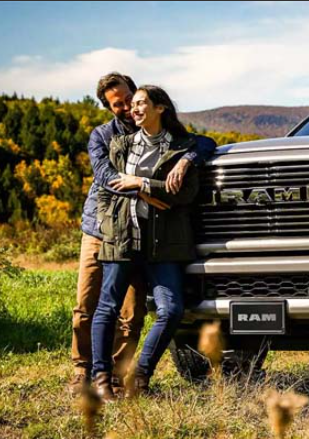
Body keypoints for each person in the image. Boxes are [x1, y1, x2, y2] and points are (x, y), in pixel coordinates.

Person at [69, 73, 216, 396]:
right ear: (109, 107)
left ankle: (124, 375)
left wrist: (187, 160)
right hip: (103, 228)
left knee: (133, 312)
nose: (126, 108)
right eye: (117, 104)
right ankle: (86, 372)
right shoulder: (107, 137)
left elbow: (203, 143)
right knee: (88, 304)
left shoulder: (162, 132)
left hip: (154, 237)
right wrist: (145, 190)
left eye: (130, 100)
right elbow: (108, 178)